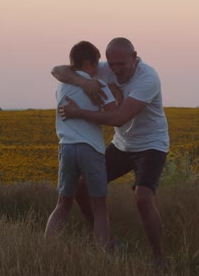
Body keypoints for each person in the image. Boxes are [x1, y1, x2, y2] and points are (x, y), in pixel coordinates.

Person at [52, 37, 169, 264]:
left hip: (151, 146)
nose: (115, 69)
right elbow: (57, 70)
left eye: (121, 64)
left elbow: (118, 118)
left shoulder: (148, 78)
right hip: (122, 145)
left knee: (143, 199)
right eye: (111, 64)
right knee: (81, 186)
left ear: (134, 57)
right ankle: (105, 241)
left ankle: (158, 258)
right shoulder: (105, 69)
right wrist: (84, 82)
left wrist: (78, 113)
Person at [44, 41, 117, 249]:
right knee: (100, 206)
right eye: (95, 65)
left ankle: (46, 248)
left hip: (66, 148)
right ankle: (103, 252)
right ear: (88, 64)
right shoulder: (98, 86)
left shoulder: (62, 85)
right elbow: (113, 114)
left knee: (63, 204)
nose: (97, 71)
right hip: (90, 150)